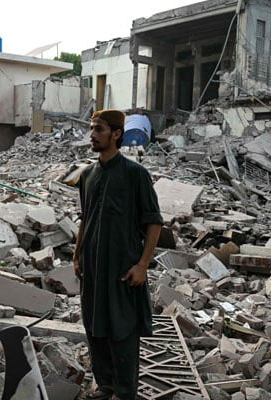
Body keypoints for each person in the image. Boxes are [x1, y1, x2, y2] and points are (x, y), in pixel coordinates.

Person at [74, 109, 163, 400]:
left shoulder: (136, 174)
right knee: (94, 326)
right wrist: (77, 256)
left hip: (122, 269)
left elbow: (153, 222)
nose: (92, 134)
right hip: (92, 269)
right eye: (91, 128)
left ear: (116, 134)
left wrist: (143, 265)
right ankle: (105, 385)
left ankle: (124, 392)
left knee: (122, 330)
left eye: (99, 129)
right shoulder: (87, 175)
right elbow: (84, 219)